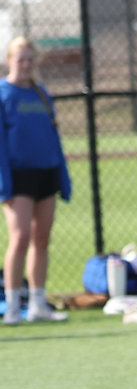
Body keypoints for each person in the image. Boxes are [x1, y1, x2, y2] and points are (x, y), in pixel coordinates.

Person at [1, 37, 73, 324]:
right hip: (17, 176)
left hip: (46, 173)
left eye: (30, 59)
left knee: (41, 239)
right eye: (21, 59)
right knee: (20, 238)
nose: (26, 64)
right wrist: (4, 184)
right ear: (10, 61)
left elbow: (53, 138)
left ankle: (38, 304)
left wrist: (62, 177)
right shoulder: (4, 94)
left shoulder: (41, 93)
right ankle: (13, 306)